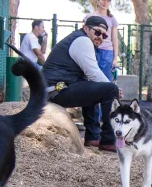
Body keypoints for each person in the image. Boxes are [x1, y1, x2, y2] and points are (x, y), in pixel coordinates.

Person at [41, 16, 121, 152]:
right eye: (97, 32)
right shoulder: (82, 41)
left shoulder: (81, 40)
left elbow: (92, 78)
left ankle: (93, 137)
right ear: (86, 28)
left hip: (56, 89)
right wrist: (114, 89)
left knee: (96, 88)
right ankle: (108, 140)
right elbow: (94, 73)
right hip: (55, 91)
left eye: (104, 35)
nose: (100, 37)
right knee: (109, 90)